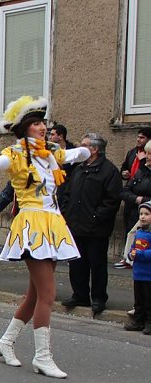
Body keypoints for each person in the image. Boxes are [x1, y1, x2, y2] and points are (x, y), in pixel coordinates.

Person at [0, 96, 90, 378]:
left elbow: (77, 155)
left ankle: (6, 342)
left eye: (44, 123)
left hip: (53, 224)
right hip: (33, 226)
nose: (43, 127)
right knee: (48, 294)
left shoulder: (50, 153)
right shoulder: (16, 155)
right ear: (25, 127)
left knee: (36, 294)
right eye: (37, 123)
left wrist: (83, 152)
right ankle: (42, 357)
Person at [59, 133, 122, 314]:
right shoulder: (79, 169)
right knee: (77, 264)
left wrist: (96, 217)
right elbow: (68, 193)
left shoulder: (109, 171)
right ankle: (80, 295)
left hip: (96, 229)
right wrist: (66, 213)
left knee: (97, 265)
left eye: (84, 145)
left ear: (94, 149)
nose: (80, 147)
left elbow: (112, 200)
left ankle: (99, 298)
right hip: (75, 224)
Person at [116, 128, 151, 268]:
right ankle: (129, 258)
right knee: (132, 235)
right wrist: (137, 199)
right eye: (146, 153)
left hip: (146, 211)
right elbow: (125, 190)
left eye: (149, 154)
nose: (146, 156)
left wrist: (144, 201)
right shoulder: (141, 170)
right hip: (133, 208)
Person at [124, 201, 151, 333]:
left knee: (148, 300)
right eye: (141, 214)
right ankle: (138, 321)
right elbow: (134, 247)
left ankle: (149, 322)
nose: (142, 217)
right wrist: (131, 254)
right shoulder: (139, 233)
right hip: (138, 273)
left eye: (146, 214)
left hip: (148, 274)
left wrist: (140, 254)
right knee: (138, 300)